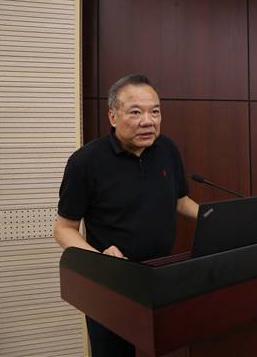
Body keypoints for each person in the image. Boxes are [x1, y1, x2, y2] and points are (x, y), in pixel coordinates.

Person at [54, 74, 200, 356]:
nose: (148, 121)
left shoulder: (167, 149)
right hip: (111, 286)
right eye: (135, 112)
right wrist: (100, 261)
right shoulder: (85, 162)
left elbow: (179, 201)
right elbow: (63, 229)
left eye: (154, 112)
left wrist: (213, 216)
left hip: (161, 277)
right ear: (113, 116)